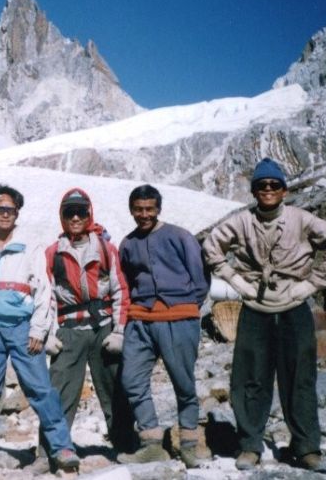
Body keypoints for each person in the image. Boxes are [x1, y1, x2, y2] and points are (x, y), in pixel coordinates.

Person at [203, 158, 326, 473]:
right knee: (250, 378)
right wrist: (235, 279)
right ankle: (250, 445)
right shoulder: (241, 221)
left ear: (283, 190)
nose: (268, 190)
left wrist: (311, 284)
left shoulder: (302, 219)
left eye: (274, 185)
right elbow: (212, 247)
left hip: (294, 307)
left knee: (300, 379)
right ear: (254, 191)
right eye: (261, 185)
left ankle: (306, 447)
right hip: (255, 308)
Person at [0, 184, 81, 474]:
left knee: (40, 390)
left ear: (17, 213)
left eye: (10, 210)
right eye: (0, 209)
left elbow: (43, 291)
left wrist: (38, 330)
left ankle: (62, 448)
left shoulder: (30, 247)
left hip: (22, 328)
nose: (5, 214)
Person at [33, 188, 134, 471]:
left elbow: (120, 290)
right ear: (62, 217)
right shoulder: (52, 253)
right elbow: (46, 297)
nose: (75, 217)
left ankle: (126, 445)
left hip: (103, 329)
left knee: (115, 388)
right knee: (59, 390)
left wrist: (119, 332)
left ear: (89, 213)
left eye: (80, 211)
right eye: (69, 212)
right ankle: (49, 451)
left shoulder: (105, 249)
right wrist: (48, 334)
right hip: (68, 330)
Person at [117, 184, 209, 468]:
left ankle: (190, 445)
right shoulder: (128, 243)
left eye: (149, 209)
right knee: (132, 380)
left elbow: (200, 278)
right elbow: (126, 281)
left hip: (178, 319)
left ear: (158, 208)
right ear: (131, 210)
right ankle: (151, 443)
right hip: (141, 321)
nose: (144, 214)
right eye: (138, 209)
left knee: (183, 383)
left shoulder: (180, 237)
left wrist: (185, 308)